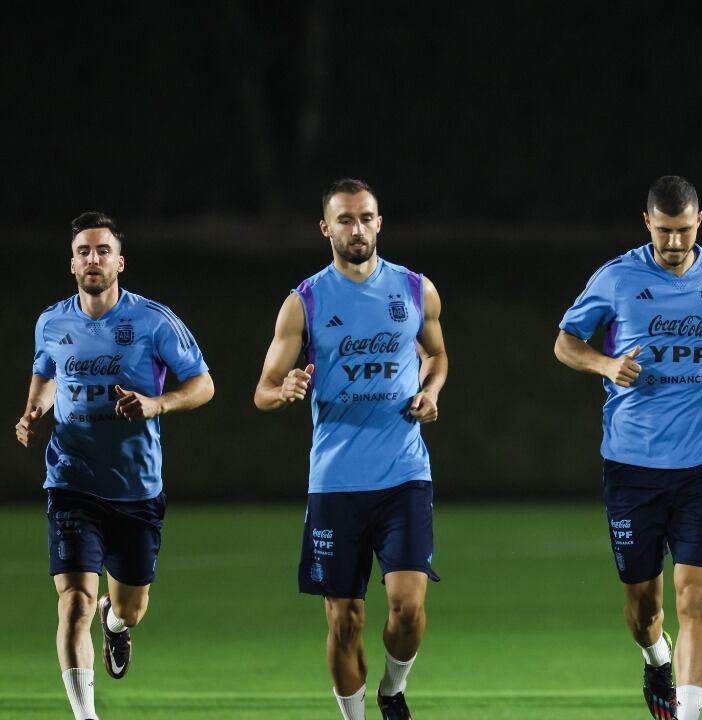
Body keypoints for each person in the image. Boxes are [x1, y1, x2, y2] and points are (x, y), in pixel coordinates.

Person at [554, 175, 702, 720]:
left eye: (684, 231)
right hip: (632, 465)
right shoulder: (616, 277)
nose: (674, 243)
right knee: (644, 608)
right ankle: (655, 658)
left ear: (700, 221)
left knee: (694, 598)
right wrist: (605, 363)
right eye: (665, 231)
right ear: (647, 222)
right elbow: (565, 342)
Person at [253, 178, 448, 720]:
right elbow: (263, 389)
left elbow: (436, 355)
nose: (356, 228)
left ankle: (391, 689)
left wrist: (430, 391)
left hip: (404, 471)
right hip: (336, 481)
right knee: (345, 622)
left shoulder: (415, 290)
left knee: (407, 609)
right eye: (345, 219)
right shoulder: (305, 302)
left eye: (365, 217)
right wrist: (285, 389)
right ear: (326, 228)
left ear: (379, 222)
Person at [15, 212, 215, 720]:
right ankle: (87, 716)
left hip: (135, 487)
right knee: (75, 601)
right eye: (84, 251)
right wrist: (34, 409)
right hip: (71, 479)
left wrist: (157, 404)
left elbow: (203, 384)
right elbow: (45, 374)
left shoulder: (153, 321)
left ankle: (116, 625)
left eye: (103, 250)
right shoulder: (51, 322)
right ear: (72, 263)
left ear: (119, 262)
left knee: (128, 608)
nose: (93, 259)